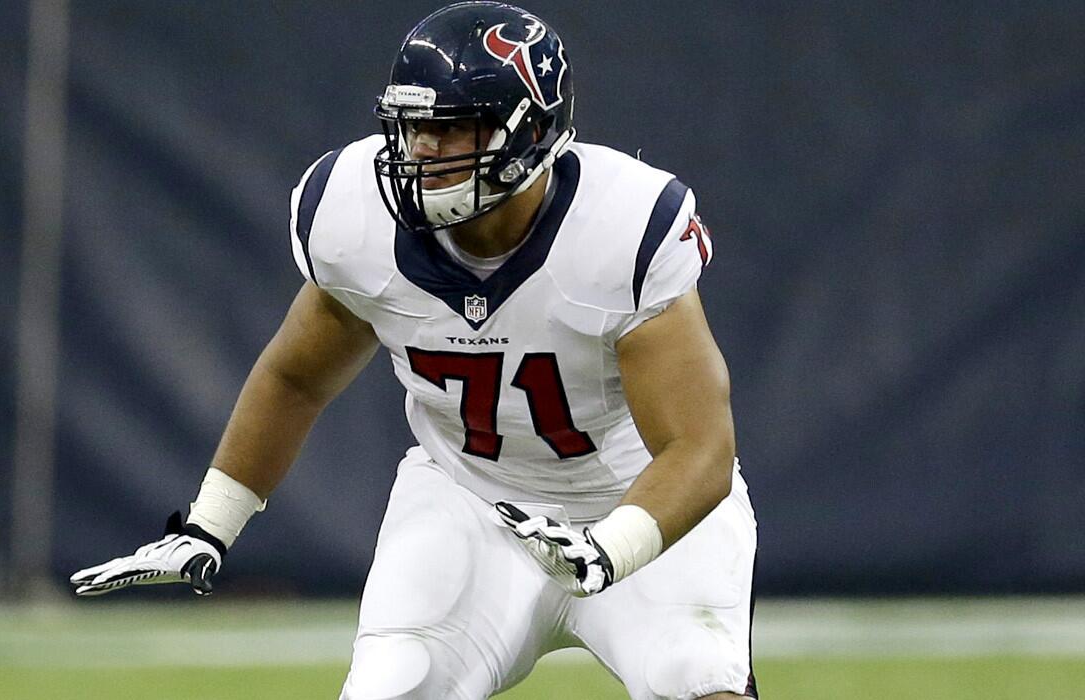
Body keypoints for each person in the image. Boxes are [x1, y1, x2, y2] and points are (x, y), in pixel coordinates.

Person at [71, 2, 758, 698]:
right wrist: (209, 526)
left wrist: (613, 548)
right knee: (394, 686)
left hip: (635, 503)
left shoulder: (621, 226)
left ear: (534, 129)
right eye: (414, 127)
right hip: (470, 502)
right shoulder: (353, 214)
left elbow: (700, 449)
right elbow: (295, 378)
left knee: (698, 682)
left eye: (454, 127)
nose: (424, 151)